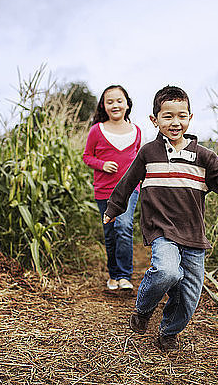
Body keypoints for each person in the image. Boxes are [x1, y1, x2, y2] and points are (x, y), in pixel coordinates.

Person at [103, 85, 218, 352]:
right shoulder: (148, 153)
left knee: (189, 294)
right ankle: (143, 309)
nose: (175, 122)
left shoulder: (203, 156)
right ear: (154, 120)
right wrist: (113, 209)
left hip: (193, 234)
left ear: (190, 117)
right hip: (161, 230)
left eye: (181, 115)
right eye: (167, 116)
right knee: (167, 271)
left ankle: (169, 332)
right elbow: (127, 182)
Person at [83, 85, 141, 291]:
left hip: (129, 190)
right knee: (110, 233)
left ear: (127, 103)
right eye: (110, 101)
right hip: (104, 190)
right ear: (103, 106)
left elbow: (138, 161)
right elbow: (87, 157)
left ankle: (125, 276)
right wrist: (102, 165)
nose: (115, 105)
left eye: (119, 100)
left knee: (124, 227)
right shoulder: (96, 130)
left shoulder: (136, 131)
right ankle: (114, 275)